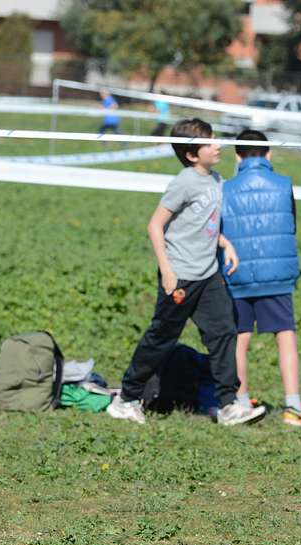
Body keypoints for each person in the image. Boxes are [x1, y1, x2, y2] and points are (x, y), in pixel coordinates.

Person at [106, 118, 267, 427]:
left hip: (208, 274)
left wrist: (225, 244)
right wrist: (167, 270)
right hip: (180, 275)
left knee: (223, 333)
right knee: (161, 338)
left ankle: (228, 405)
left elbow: (203, 224)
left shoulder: (216, 180)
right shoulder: (183, 183)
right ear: (192, 154)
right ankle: (126, 398)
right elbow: (155, 225)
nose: (217, 145)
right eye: (209, 142)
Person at [220, 129, 301, 429]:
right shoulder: (284, 184)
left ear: (237, 156)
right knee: (285, 335)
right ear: (269, 153)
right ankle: (293, 404)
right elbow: (292, 222)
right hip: (276, 273)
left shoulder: (224, 188)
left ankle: (241, 400)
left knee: (240, 337)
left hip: (237, 273)